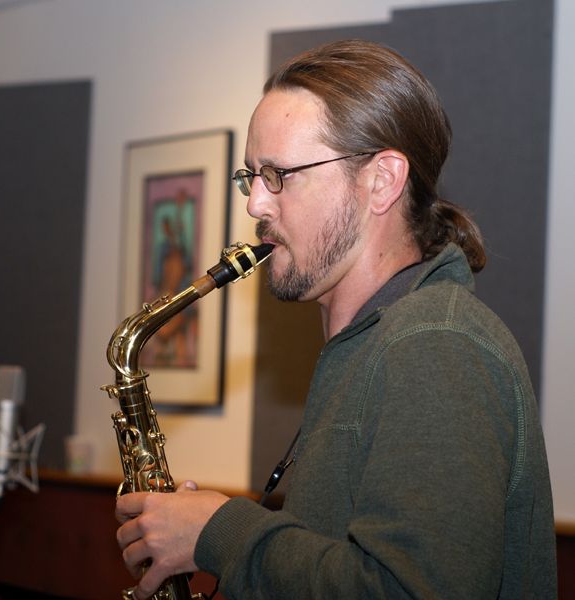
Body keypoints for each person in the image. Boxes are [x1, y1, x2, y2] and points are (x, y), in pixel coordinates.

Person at [115, 39, 557, 599]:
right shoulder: (375, 346)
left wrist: (219, 533)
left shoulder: (436, 346)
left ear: (382, 180)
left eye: (279, 174)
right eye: (251, 175)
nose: (255, 204)